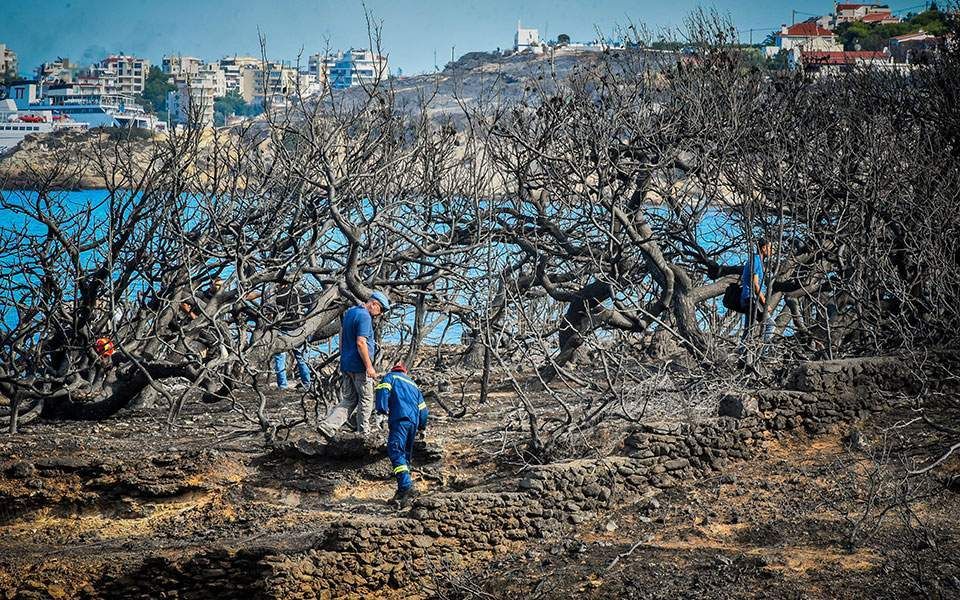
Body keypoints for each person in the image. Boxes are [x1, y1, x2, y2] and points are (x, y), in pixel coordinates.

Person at [318, 291, 391, 439]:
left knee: (350, 399)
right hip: (359, 366)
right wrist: (369, 366)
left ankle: (328, 425)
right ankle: (364, 432)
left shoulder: (351, 312)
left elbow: (342, 337)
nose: (380, 313)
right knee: (366, 399)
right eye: (381, 309)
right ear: (374, 303)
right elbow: (361, 342)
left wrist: (344, 357)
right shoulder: (365, 317)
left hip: (347, 363)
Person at [375, 362, 429, 505]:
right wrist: (422, 427)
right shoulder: (414, 385)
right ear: (405, 371)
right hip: (413, 423)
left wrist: (381, 411)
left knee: (395, 450)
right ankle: (402, 492)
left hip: (399, 420)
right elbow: (423, 410)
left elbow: (383, 392)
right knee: (405, 456)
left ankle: (406, 487)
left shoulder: (390, 377)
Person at [740, 238, 775, 345]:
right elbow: (755, 284)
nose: (772, 251)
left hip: (749, 298)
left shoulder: (759, 262)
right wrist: (765, 303)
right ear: (764, 248)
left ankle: (742, 353)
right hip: (750, 298)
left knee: (749, 329)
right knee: (770, 325)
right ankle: (764, 355)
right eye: (770, 248)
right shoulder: (755, 260)